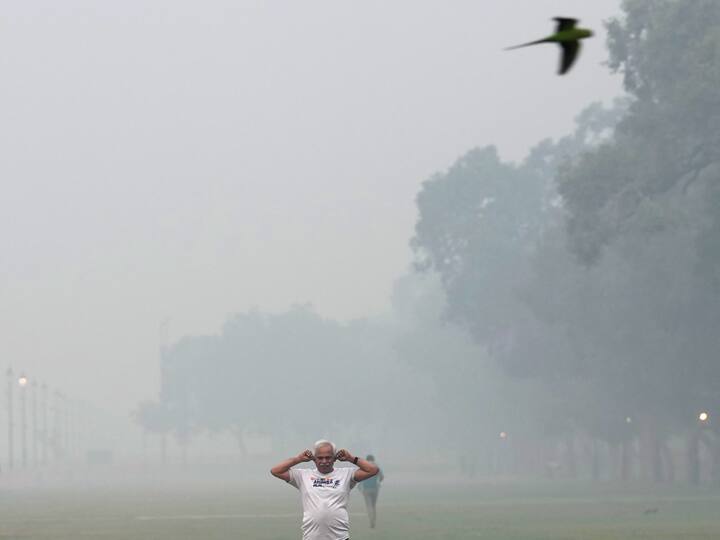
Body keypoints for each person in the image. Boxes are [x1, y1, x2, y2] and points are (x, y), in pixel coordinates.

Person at [271, 439, 379, 540]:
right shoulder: (303, 475)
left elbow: (373, 470)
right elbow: (276, 471)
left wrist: (351, 458)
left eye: (328, 457)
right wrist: (298, 459)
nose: (324, 461)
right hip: (311, 537)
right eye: (320, 458)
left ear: (334, 458)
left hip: (339, 537)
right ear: (314, 458)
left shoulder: (346, 474)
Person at [357, 454, 383, 528]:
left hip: (366, 489)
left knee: (368, 506)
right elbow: (381, 477)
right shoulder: (376, 467)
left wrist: (359, 486)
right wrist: (378, 482)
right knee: (373, 506)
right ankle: (373, 520)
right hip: (375, 489)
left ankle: (371, 520)